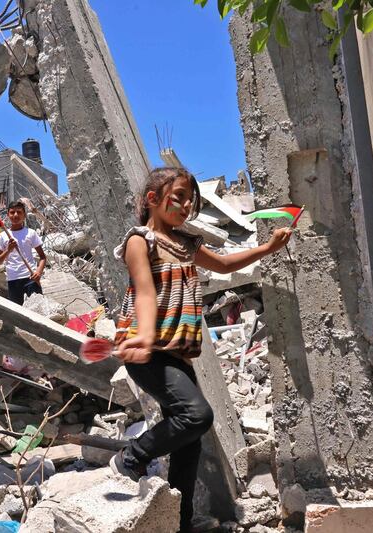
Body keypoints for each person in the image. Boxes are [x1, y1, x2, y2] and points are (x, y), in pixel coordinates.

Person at [109, 167, 292, 533]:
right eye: (178, 196)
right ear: (152, 200)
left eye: (190, 198)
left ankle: (180, 522)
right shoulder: (139, 241)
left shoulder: (186, 244)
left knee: (189, 443)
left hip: (175, 355)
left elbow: (224, 264)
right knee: (197, 416)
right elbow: (145, 291)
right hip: (146, 352)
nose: (187, 204)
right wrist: (144, 335)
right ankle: (132, 455)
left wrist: (268, 248)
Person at [0, 200, 47, 304]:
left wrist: (38, 272)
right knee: (18, 313)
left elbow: (43, 257)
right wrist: (8, 250)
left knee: (37, 310)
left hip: (30, 278)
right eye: (12, 212)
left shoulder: (31, 233)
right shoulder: (3, 236)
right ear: (8, 215)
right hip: (13, 280)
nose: (16, 215)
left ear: (24, 215)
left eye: (19, 212)